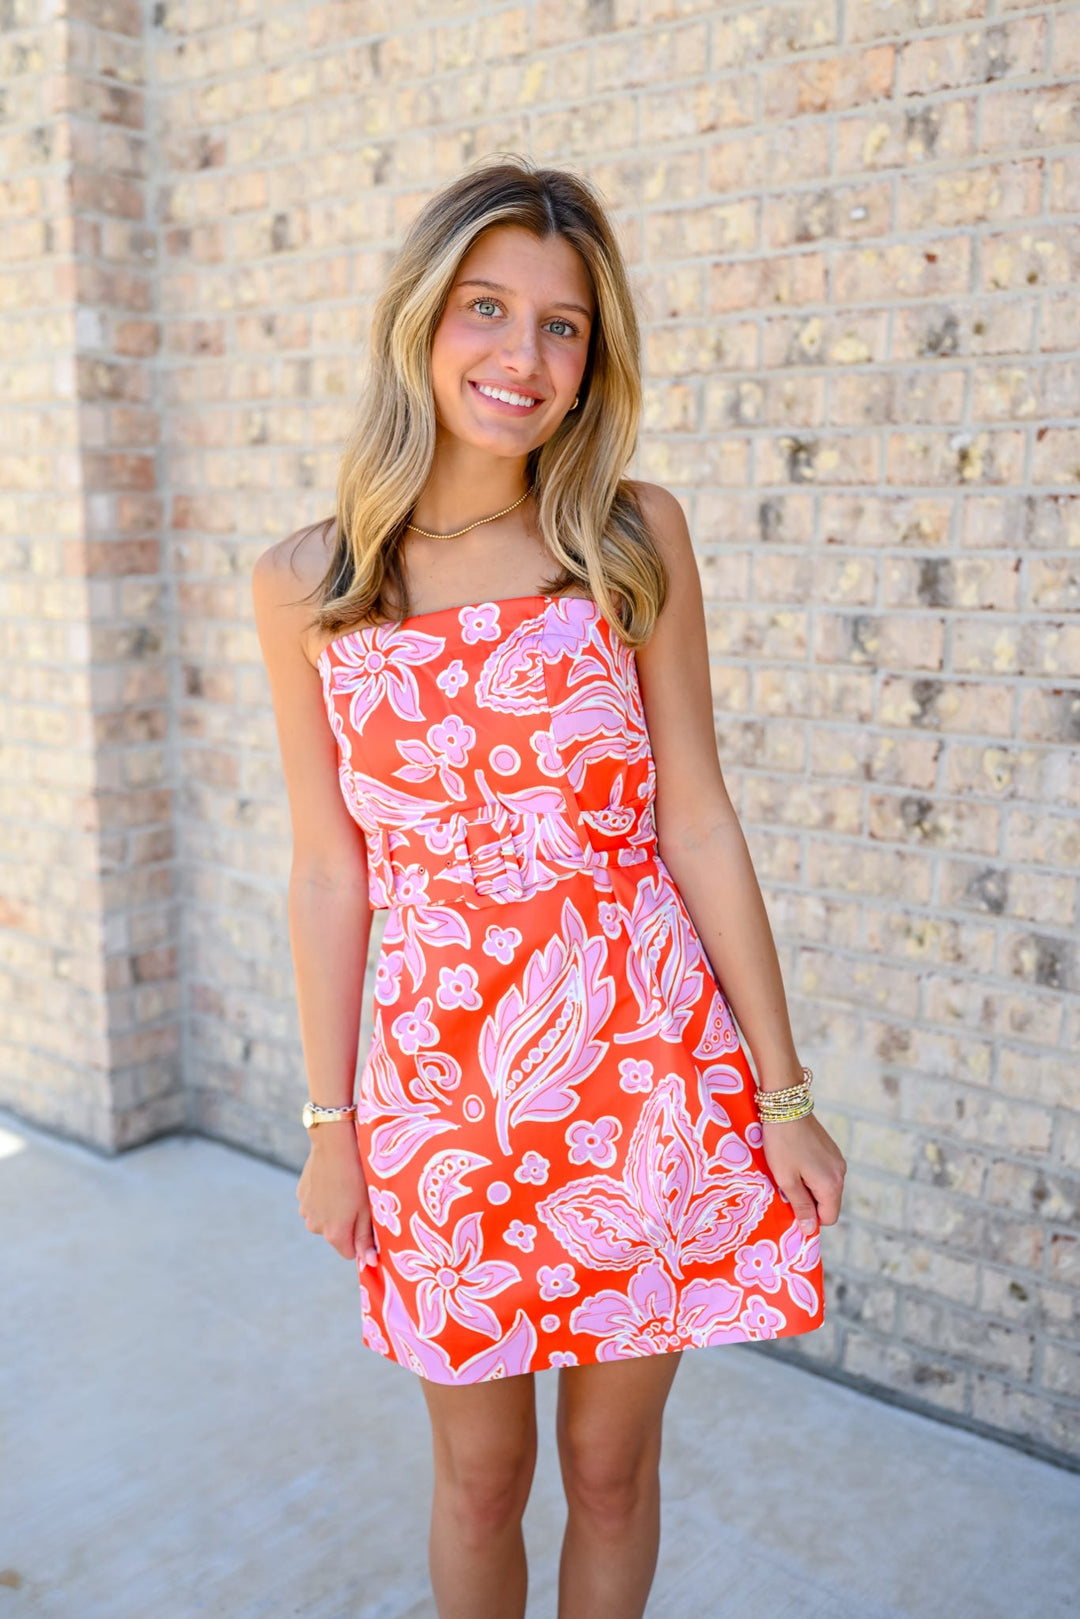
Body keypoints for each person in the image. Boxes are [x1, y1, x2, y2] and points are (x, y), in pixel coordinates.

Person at [252, 155, 847, 1619]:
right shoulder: (313, 583)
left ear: (596, 357)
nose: (522, 357)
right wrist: (333, 1129)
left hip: (648, 1077)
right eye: (486, 310)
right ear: (421, 324)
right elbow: (330, 871)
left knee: (613, 1470)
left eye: (564, 326)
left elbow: (699, 819)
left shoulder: (629, 538)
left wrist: (781, 1091)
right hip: (445, 1099)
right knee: (477, 1479)